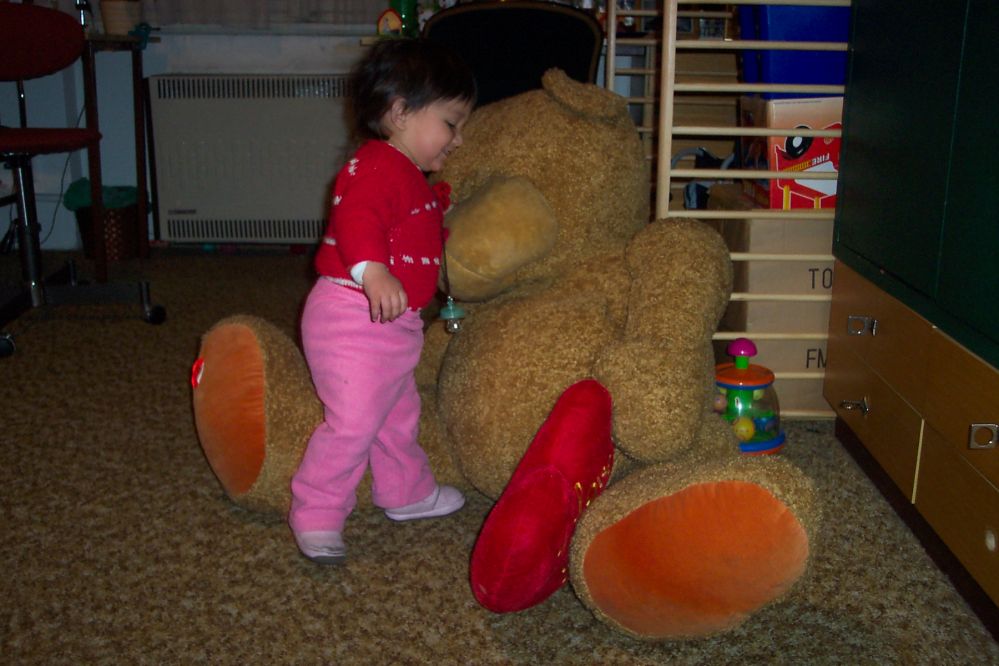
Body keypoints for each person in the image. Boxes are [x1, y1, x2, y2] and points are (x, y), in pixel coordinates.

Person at [288, 38, 476, 565]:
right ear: (400, 113)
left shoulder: (407, 176)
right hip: (352, 314)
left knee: (396, 413)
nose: (458, 139)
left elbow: (405, 224)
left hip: (391, 324)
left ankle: (406, 492)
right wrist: (372, 270)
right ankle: (317, 510)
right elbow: (357, 218)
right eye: (451, 123)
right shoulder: (376, 165)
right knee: (353, 422)